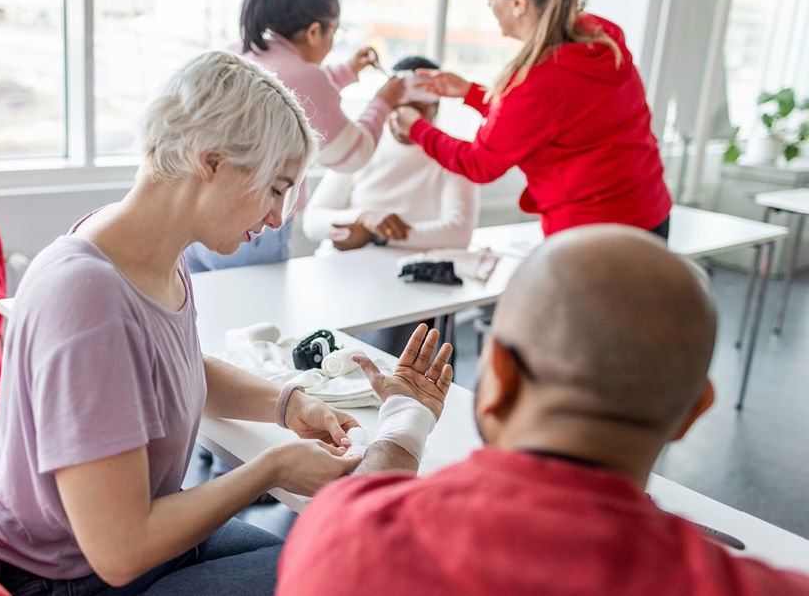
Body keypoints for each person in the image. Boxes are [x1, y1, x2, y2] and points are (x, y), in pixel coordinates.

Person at [0, 51, 366, 594]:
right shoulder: (89, 296)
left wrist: (289, 403)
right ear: (209, 162)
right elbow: (120, 550)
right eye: (276, 187)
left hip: (124, 545)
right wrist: (272, 468)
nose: (279, 217)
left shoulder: (144, 250)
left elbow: (171, 367)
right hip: (76, 577)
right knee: (343, 578)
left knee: (326, 555)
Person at [277, 226, 809, 594]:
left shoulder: (344, 537)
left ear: (499, 377)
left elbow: (364, 504)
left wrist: (403, 427)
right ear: (695, 412)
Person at [390, 0, 672, 238]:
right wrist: (470, 93)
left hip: (593, 237)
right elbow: (549, 115)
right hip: (650, 216)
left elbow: (479, 163)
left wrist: (415, 127)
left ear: (518, 2)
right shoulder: (600, 36)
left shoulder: (536, 82)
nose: (489, 6)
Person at [185, 0, 410, 271]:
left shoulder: (238, 50)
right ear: (316, 31)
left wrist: (348, 70)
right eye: (335, 31)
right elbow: (352, 155)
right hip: (252, 227)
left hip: (195, 222)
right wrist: (383, 101)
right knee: (259, 314)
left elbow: (294, 94)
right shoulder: (305, 78)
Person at [306, 56, 479, 252]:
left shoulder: (455, 155)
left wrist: (374, 234)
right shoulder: (361, 145)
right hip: (344, 266)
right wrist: (363, 218)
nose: (401, 116)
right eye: (395, 104)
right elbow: (312, 222)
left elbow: (459, 234)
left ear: (435, 107)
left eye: (417, 106)